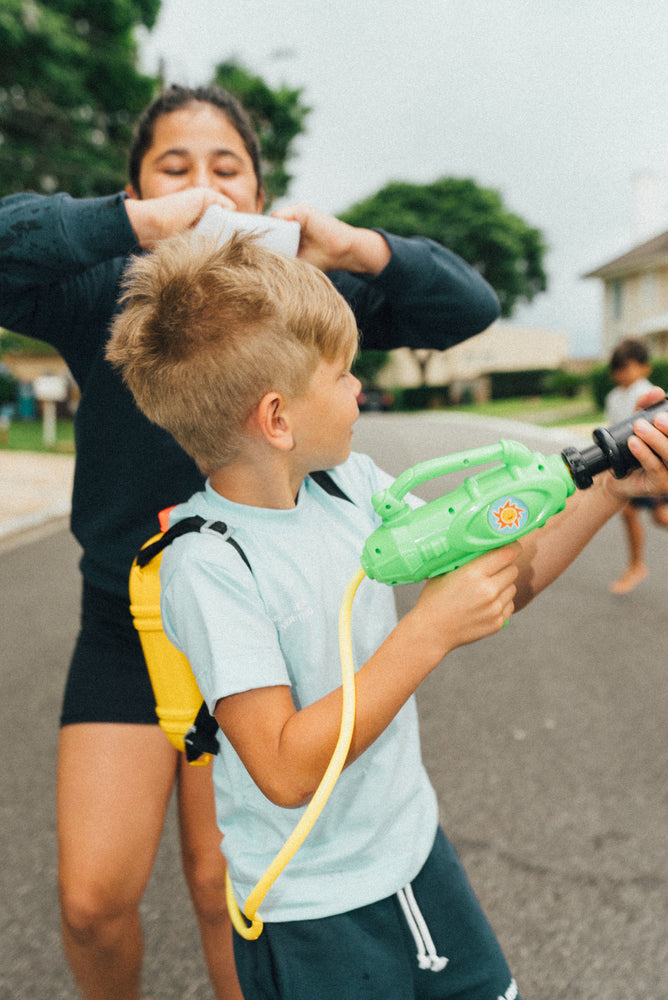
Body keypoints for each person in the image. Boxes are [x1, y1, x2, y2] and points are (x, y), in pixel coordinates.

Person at [0, 83, 502, 1000]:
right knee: (91, 902)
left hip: (249, 623)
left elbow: (468, 308)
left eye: (225, 166)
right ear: (140, 186)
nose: (203, 183)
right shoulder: (99, 286)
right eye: (173, 167)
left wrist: (353, 247)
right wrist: (130, 224)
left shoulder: (300, 299)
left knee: (218, 885)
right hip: (125, 622)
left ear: (261, 185)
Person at [106, 231, 668, 1000]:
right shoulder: (208, 562)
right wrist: (427, 630)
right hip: (314, 910)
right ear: (277, 418)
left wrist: (608, 490)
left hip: (414, 852)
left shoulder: (352, 486)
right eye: (343, 376)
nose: (359, 391)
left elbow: (506, 579)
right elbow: (280, 766)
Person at [604, 338, 668, 595]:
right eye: (616, 368)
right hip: (633, 468)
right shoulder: (613, 397)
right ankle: (636, 566)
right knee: (642, 514)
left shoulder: (648, 392)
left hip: (653, 466)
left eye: (626, 367)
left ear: (644, 367)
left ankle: (636, 566)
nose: (620, 374)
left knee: (656, 515)